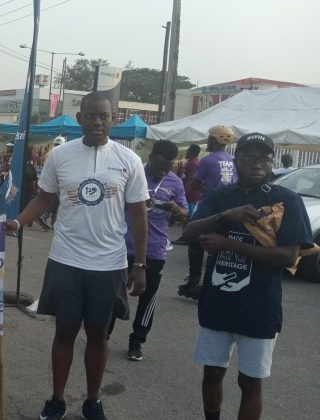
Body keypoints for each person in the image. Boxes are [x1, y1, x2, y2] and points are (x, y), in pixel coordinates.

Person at [4, 92, 148, 420]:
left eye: (104, 116)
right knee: (64, 333)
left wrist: (140, 264)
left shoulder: (129, 160)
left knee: (99, 335)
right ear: (80, 118)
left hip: (109, 264)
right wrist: (18, 222)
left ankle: (92, 402)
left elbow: (138, 213)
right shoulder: (60, 156)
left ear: (113, 119)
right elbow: (43, 199)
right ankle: (57, 400)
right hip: (66, 260)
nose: (98, 122)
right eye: (91, 116)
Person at [180, 133, 312, 420]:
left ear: (272, 161)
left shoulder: (286, 199)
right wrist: (225, 216)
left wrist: (228, 245)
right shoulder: (221, 196)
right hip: (217, 302)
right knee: (212, 373)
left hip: (259, 307)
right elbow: (189, 232)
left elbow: (289, 257)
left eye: (264, 158)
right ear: (236, 160)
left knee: (250, 382)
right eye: (249, 157)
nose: (257, 164)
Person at [124, 140, 188, 362]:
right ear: (150, 158)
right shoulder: (134, 173)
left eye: (167, 169)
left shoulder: (175, 182)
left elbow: (185, 214)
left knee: (148, 296)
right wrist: (136, 201)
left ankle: (137, 340)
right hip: (125, 244)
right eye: (159, 167)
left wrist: (176, 209)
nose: (163, 173)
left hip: (155, 248)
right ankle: (104, 333)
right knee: (115, 292)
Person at [179, 125, 237, 300]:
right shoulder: (233, 160)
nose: (208, 141)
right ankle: (212, 282)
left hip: (210, 206)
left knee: (194, 239)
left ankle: (194, 280)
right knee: (217, 248)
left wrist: (202, 186)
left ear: (214, 139)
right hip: (229, 207)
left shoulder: (208, 160)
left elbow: (194, 185)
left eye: (209, 138)